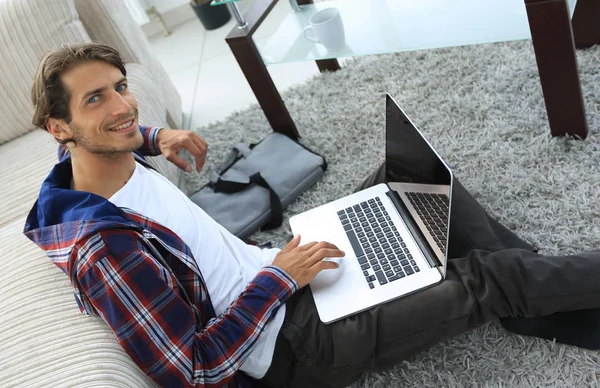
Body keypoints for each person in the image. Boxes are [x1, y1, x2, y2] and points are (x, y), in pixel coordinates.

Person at [23, 43, 600, 388]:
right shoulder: (108, 249)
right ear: (60, 128)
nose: (123, 107)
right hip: (290, 348)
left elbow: (118, 131)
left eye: (120, 88)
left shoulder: (82, 163)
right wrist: (282, 279)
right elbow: (196, 371)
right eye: (96, 99)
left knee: (417, 183)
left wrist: (157, 135)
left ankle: (533, 302)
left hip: (280, 272)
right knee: (489, 278)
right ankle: (526, 292)